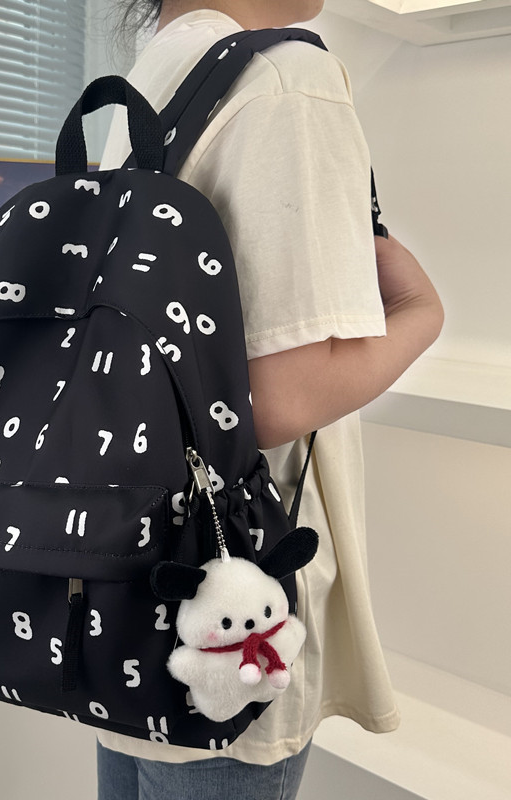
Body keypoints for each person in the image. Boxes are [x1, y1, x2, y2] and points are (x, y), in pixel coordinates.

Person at [97, 1, 445, 798]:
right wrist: (423, 316)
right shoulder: (288, 77)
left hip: (129, 568)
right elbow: (279, 401)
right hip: (236, 582)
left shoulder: (156, 69)